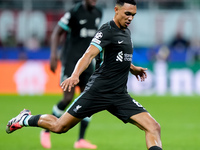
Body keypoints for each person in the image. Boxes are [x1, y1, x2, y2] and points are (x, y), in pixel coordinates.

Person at [6, 1, 163, 150]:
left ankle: (80, 138)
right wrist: (75, 75)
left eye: (133, 15)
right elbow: (88, 55)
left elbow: (116, 57)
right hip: (98, 91)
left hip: (119, 95)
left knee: (153, 127)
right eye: (127, 13)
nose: (130, 18)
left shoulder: (126, 32)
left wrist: (132, 68)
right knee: (59, 126)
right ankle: (24, 119)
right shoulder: (107, 31)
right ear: (116, 10)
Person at [41, 0, 102, 149]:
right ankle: (46, 129)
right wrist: (53, 55)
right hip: (70, 61)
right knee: (67, 98)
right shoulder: (74, 12)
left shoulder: (98, 13)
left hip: (87, 63)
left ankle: (80, 140)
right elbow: (57, 32)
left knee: (89, 100)